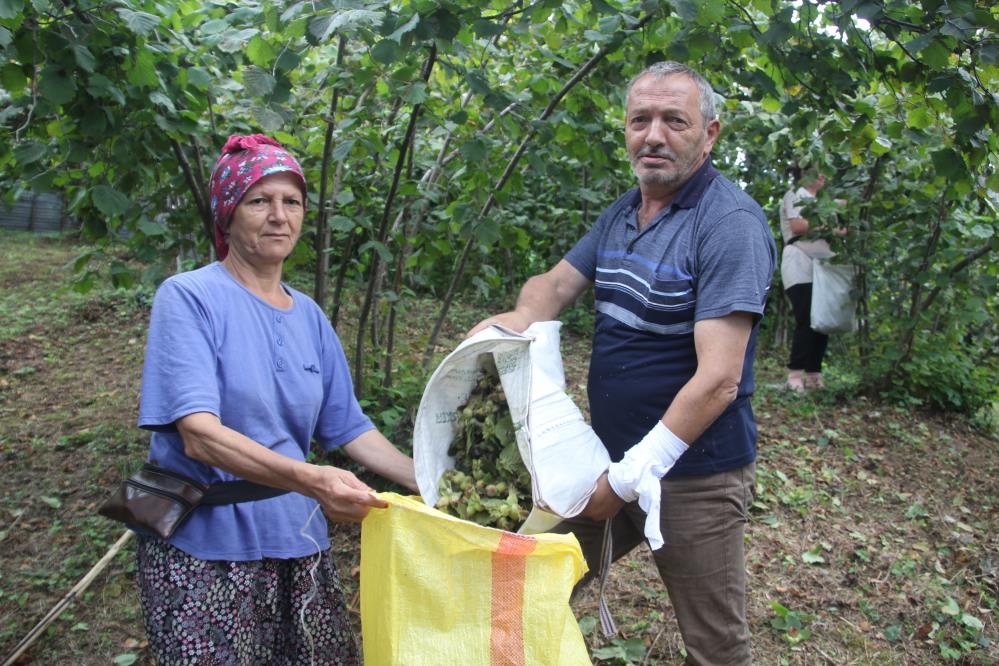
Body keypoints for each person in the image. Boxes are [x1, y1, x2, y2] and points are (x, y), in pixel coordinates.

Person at [469, 61, 775, 664]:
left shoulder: (728, 224)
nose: (654, 135)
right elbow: (552, 288)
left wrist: (631, 476)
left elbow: (718, 379)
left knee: (716, 646)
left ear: (710, 134)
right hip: (603, 461)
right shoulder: (623, 213)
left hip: (692, 476)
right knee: (527, 586)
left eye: (674, 120)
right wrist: (513, 322)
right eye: (641, 120)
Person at [134, 133, 418, 664]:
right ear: (228, 214)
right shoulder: (189, 297)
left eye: (292, 202)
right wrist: (313, 478)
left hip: (298, 540)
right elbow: (198, 435)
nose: (278, 216)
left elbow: (347, 427)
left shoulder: (308, 314)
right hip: (204, 548)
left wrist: (425, 478)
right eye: (258, 201)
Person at [779, 170, 846, 391]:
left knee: (822, 320)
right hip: (799, 263)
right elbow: (798, 226)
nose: (822, 176)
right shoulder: (795, 195)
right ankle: (795, 375)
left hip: (824, 267)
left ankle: (814, 375)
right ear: (804, 174)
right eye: (816, 172)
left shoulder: (824, 203)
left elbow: (844, 219)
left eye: (823, 172)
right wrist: (831, 228)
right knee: (806, 317)